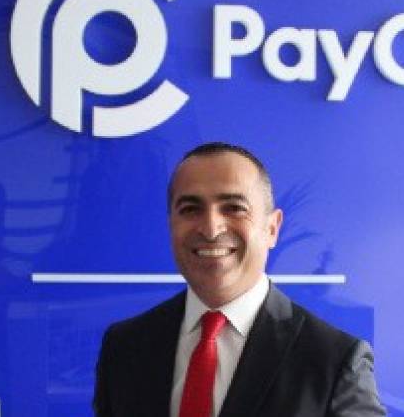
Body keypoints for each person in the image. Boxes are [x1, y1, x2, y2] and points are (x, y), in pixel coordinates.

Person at [94, 142, 386, 417]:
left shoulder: (333, 361)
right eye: (191, 209)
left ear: (272, 228)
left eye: (233, 208)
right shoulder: (124, 347)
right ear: (171, 224)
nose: (210, 228)